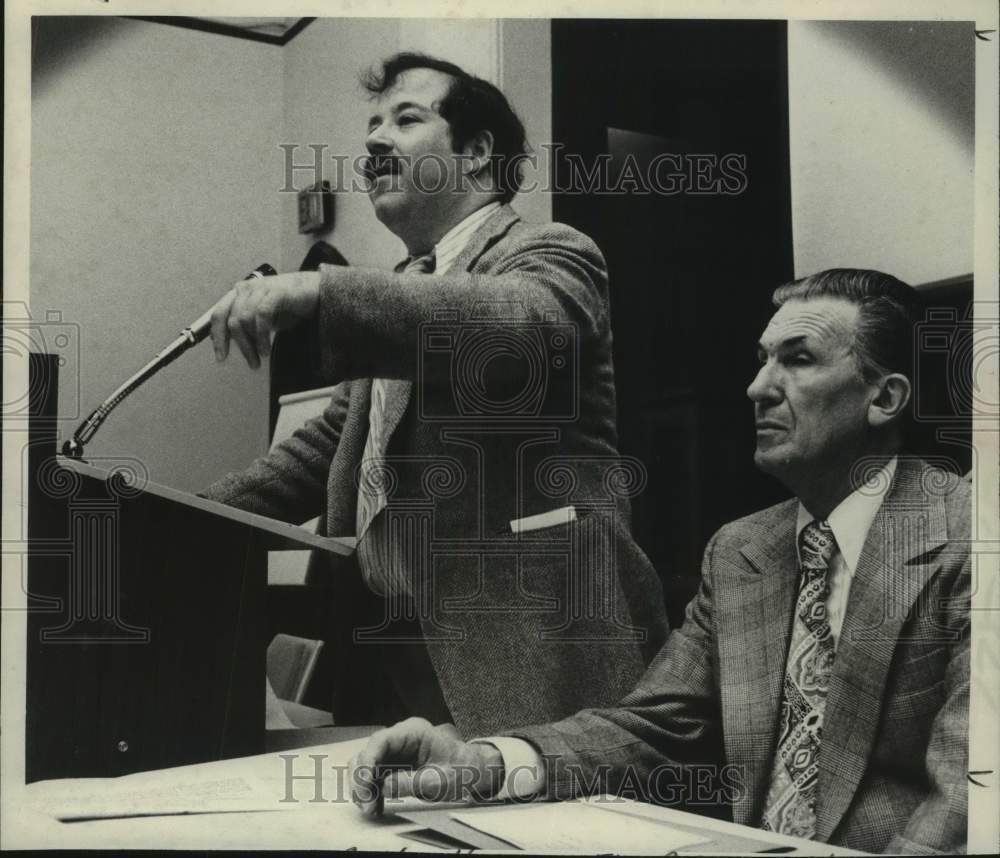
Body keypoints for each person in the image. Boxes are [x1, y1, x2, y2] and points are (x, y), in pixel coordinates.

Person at [350, 269, 970, 855]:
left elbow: (971, 799)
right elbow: (655, 729)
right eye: (762, 361)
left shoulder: (974, 536)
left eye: (798, 360)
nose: (757, 388)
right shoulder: (741, 551)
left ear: (885, 398)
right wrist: (479, 763)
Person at [202, 53, 669, 736]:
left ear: (478, 155)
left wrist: (324, 289)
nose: (373, 141)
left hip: (530, 652)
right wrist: (174, 516)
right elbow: (319, 455)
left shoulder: (552, 253)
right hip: (389, 659)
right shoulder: (402, 290)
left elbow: (518, 330)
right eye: (371, 125)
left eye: (405, 118)